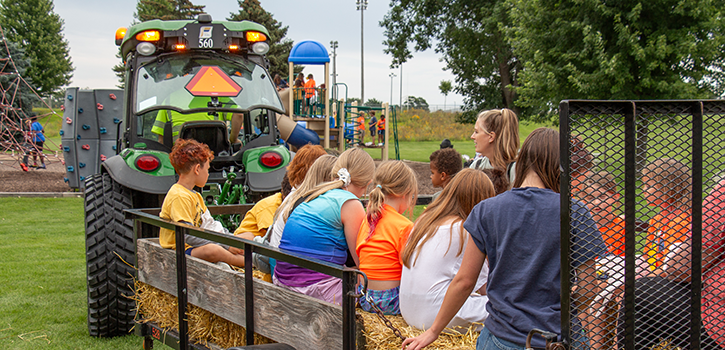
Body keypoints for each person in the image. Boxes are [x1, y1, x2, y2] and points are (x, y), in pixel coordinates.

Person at [402, 128, 606, 350]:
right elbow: (588, 288)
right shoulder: (576, 212)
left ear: (524, 160)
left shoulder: (486, 210)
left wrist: (433, 331)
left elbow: (464, 281)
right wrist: (560, 313)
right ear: (560, 166)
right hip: (555, 338)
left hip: (500, 337)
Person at [273, 148, 375, 304]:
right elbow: (362, 261)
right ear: (368, 183)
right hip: (313, 290)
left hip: (282, 282)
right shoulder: (351, 204)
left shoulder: (316, 194)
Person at [400, 169, 496, 332]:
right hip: (435, 315)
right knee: (505, 310)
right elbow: (484, 286)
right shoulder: (464, 230)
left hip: (408, 310)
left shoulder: (425, 221)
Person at [159, 139, 251, 268]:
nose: (207, 174)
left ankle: (244, 257)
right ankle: (247, 263)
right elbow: (188, 235)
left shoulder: (195, 195)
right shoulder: (179, 196)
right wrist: (226, 244)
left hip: (198, 244)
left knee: (247, 236)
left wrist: (229, 239)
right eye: (207, 169)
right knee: (214, 251)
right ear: (197, 169)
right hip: (182, 249)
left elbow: (209, 224)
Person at [356, 161, 418, 315]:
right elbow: (413, 270)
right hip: (390, 301)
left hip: (365, 297)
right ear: (406, 193)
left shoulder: (369, 219)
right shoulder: (404, 226)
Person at [642, 158, 692, 271]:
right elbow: (646, 255)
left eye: (648, 185)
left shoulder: (680, 221)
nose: (643, 190)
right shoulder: (657, 219)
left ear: (667, 188)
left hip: (669, 280)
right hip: (652, 273)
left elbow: (672, 265)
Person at [579, 171, 624, 256]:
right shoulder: (579, 226)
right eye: (590, 198)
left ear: (615, 197)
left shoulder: (622, 226)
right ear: (583, 201)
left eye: (602, 196)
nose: (596, 202)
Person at [468, 109, 519, 183]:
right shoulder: (476, 166)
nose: (472, 136)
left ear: (491, 137)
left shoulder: (515, 170)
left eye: (476, 132)